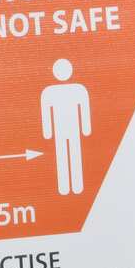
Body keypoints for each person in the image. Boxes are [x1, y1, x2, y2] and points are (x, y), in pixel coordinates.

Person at [41, 58, 90, 195]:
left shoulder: (78, 89)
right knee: (64, 155)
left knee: (72, 154)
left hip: (71, 129)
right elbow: (46, 112)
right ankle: (66, 187)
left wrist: (86, 128)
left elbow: (84, 109)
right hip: (60, 130)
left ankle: (76, 185)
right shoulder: (49, 92)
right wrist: (48, 132)